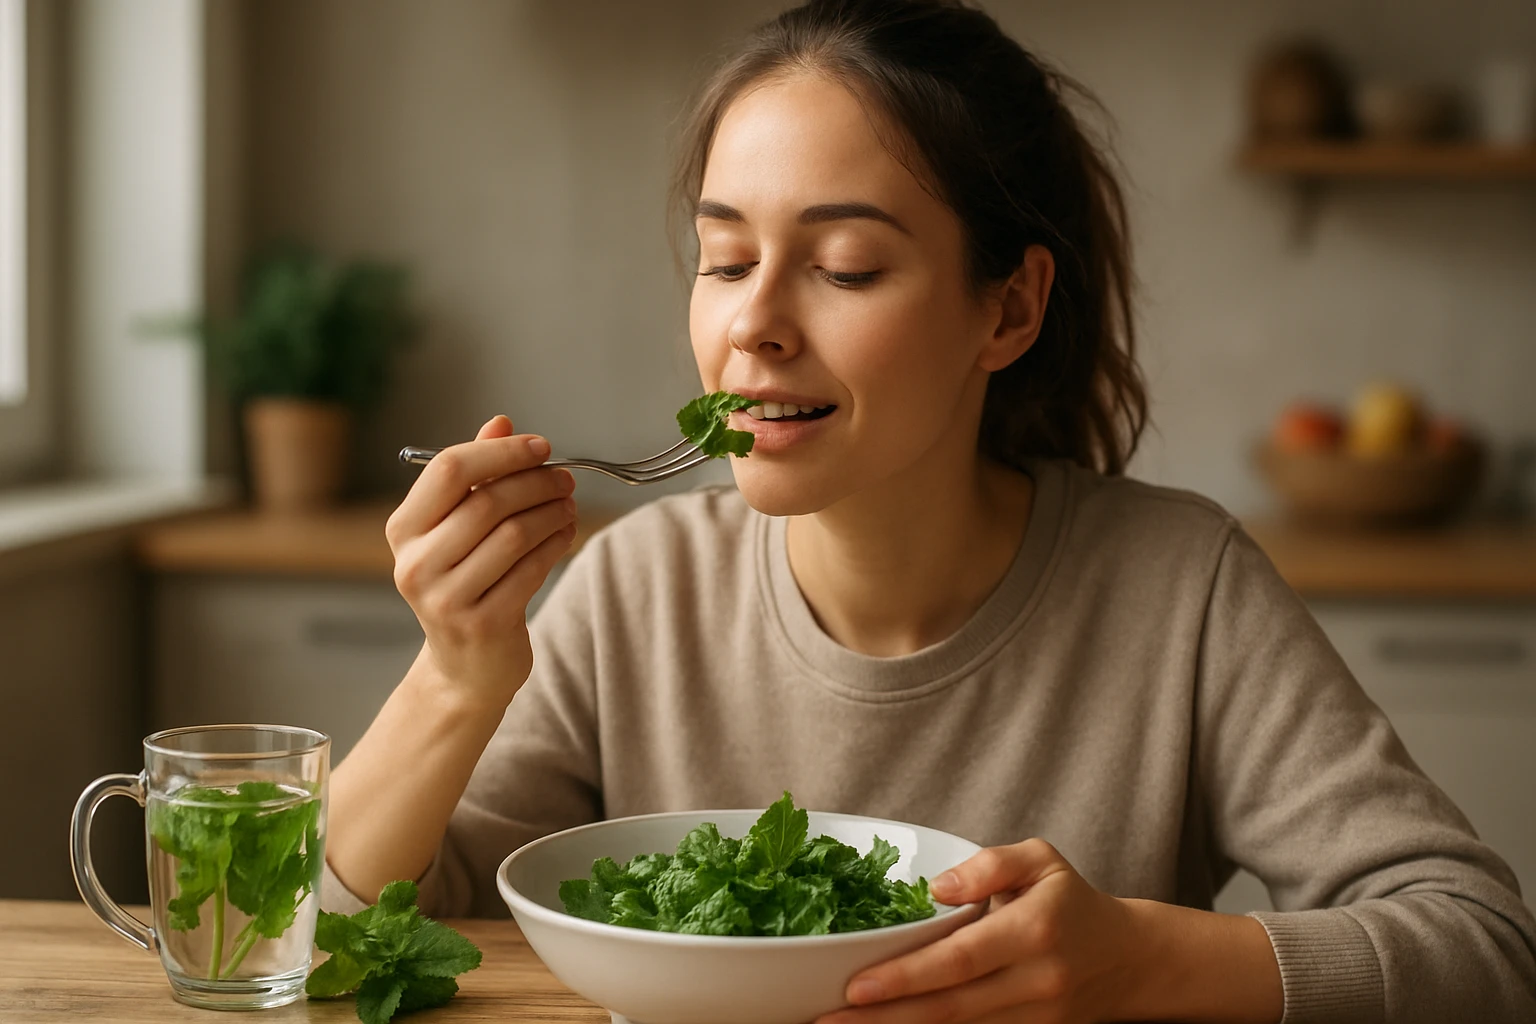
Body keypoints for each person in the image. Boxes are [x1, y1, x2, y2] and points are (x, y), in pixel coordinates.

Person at [321, 1, 1536, 1020]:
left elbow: (1483, 946)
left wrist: (1144, 960)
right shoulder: (632, 589)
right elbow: (336, 940)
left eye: (845, 266)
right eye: (726, 258)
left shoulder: (1183, 588)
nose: (754, 324)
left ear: (1007, 311)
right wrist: (455, 677)